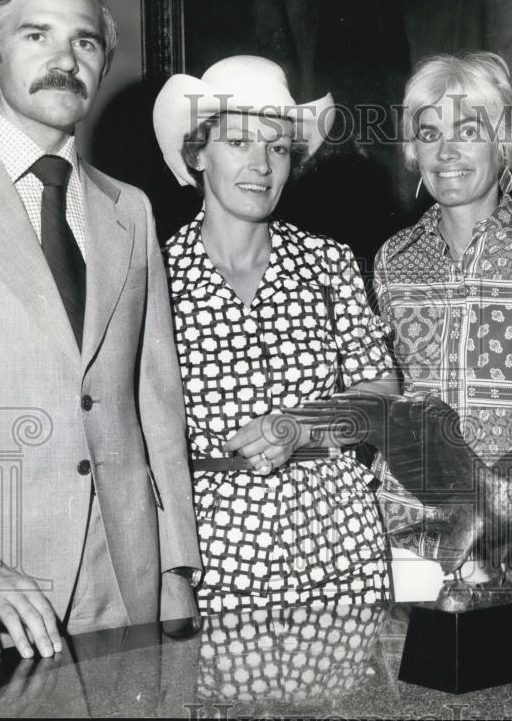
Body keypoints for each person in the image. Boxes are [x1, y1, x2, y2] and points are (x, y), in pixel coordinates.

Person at [0, 0, 201, 669]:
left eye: (86, 41)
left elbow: (154, 403)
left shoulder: (130, 209)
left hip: (122, 597)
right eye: (36, 35)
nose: (66, 58)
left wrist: (174, 571)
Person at [153, 55, 398, 613]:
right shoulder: (154, 276)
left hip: (338, 544)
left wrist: (299, 427)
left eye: (279, 147)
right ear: (198, 153)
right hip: (213, 555)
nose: (261, 165)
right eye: (239, 143)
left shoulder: (328, 262)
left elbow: (382, 399)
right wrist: (172, 576)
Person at [372, 52, 512, 600]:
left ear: (503, 142)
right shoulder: (392, 261)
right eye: (428, 133)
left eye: (467, 131)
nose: (445, 151)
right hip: (408, 541)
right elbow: (388, 410)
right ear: (412, 150)